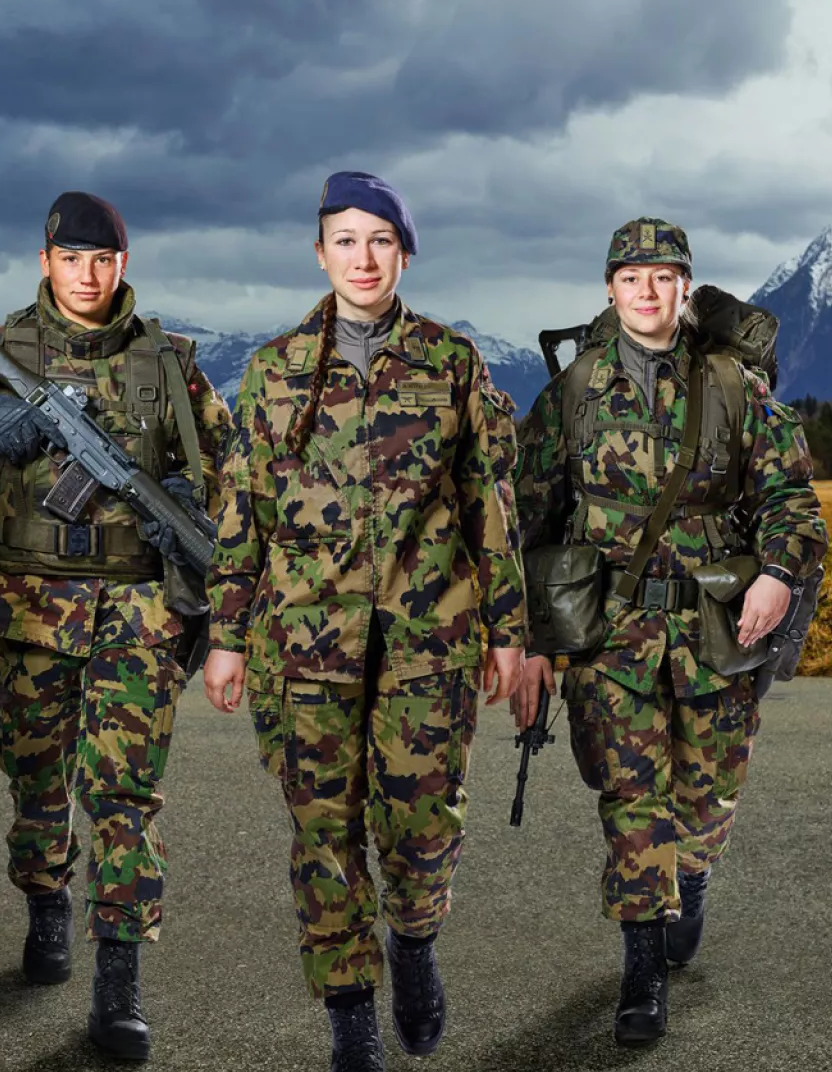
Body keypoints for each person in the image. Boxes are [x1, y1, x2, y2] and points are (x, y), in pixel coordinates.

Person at [201, 171, 525, 1072]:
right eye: (346, 240)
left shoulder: (449, 361)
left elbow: (488, 503)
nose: (364, 258)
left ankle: (414, 940)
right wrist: (225, 636)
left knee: (422, 827)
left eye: (381, 240)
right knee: (323, 835)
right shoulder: (274, 370)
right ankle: (351, 1018)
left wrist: (508, 629)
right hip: (304, 645)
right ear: (320, 254)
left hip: (429, 639)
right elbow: (242, 510)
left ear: (404, 253)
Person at [511, 218, 827, 1045]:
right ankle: (642, 971)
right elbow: (528, 523)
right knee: (631, 798)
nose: (647, 292)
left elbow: (793, 499)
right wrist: (533, 645)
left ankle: (693, 873)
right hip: (611, 638)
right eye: (631, 278)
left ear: (685, 287)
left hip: (716, 629)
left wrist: (778, 573)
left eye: (662, 278)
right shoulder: (574, 392)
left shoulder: (732, 386)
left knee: (707, 798)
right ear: (610, 289)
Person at [0, 190, 231, 1062]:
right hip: (29, 609)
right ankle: (46, 902)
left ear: (123, 265)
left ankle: (119, 982)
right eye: (72, 260)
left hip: (137, 610)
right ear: (46, 262)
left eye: (103, 261)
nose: (88, 276)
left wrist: (187, 503)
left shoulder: (170, 362)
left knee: (124, 796)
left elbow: (229, 472)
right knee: (36, 784)